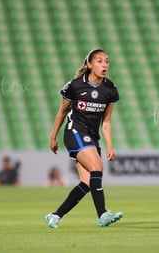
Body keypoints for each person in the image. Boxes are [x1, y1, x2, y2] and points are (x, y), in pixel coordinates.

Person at [44, 49, 123, 228]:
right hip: (74, 132)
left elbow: (106, 122)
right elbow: (62, 112)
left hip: (92, 137)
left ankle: (55, 216)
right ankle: (102, 214)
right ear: (89, 64)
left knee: (87, 182)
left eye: (107, 62)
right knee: (97, 166)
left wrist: (110, 145)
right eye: (99, 61)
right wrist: (53, 136)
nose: (104, 65)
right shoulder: (75, 85)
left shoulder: (110, 88)